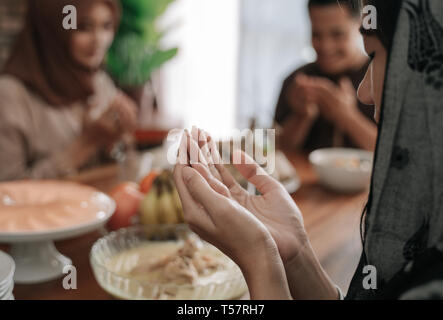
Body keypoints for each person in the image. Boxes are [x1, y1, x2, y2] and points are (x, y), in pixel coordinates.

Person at [174, 0, 443, 300]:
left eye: (374, 55)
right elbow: (279, 149)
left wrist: (260, 258)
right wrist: (295, 251)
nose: (363, 92)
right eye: (317, 34)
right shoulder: (297, 81)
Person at [0, 0, 137, 181]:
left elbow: (126, 176)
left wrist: (118, 141)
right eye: (84, 27)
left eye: (106, 26)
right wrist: (86, 143)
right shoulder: (11, 94)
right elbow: (9, 193)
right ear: (53, 30)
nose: (99, 40)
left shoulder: (99, 82)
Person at [274, 0, 377, 152]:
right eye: (316, 34)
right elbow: (277, 152)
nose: (326, 46)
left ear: (360, 26)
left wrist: (347, 117)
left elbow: (396, 156)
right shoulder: (296, 81)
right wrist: (301, 117)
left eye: (337, 34)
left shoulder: (382, 79)